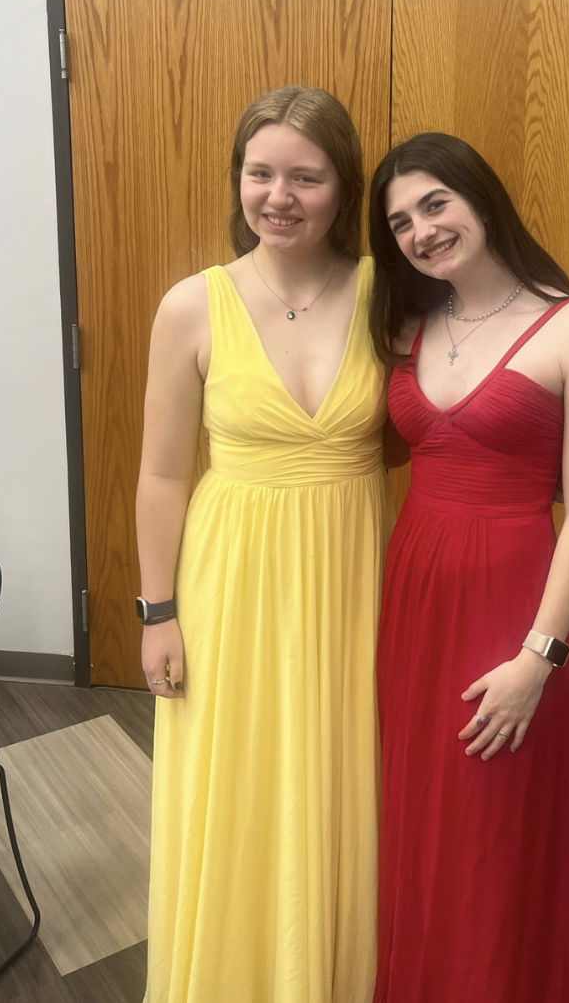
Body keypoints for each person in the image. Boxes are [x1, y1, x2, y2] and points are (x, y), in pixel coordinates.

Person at [136, 86, 393, 1003]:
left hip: (352, 575)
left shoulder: (385, 295)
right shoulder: (191, 306)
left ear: (344, 186)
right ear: (238, 181)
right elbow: (162, 473)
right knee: (236, 788)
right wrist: (157, 612)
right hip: (230, 581)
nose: (278, 195)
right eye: (260, 173)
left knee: (341, 785)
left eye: (306, 177)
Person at [368, 133, 569, 1003]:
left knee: (495, 816)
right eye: (400, 221)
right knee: (420, 807)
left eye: (435, 203)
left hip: (514, 605)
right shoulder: (410, 323)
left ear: (480, 199)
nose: (421, 230)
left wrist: (538, 658)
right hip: (414, 594)